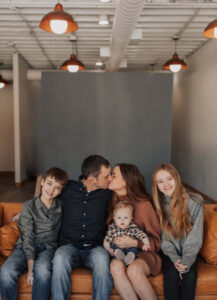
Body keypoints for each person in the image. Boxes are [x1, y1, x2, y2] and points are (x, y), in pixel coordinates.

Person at [0, 167, 68, 300]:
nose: (51, 190)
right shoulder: (28, 206)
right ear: (42, 182)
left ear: (60, 191)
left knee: (43, 272)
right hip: (24, 247)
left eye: (57, 187)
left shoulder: (62, 207)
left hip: (48, 249)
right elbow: (28, 238)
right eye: (49, 183)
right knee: (6, 271)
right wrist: (30, 270)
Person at [51, 154, 113, 300]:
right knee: (59, 258)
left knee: (102, 261)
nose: (110, 178)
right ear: (92, 179)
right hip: (69, 246)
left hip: (95, 248)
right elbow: (45, 198)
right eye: (106, 176)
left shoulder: (108, 194)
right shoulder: (67, 189)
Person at [108, 163, 161, 300]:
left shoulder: (143, 205)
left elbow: (157, 242)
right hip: (120, 254)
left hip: (144, 254)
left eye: (114, 175)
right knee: (115, 266)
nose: (109, 178)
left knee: (133, 270)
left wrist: (134, 242)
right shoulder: (111, 201)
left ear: (126, 180)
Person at [152, 163, 204, 300]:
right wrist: (175, 259)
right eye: (160, 181)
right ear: (156, 185)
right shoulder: (158, 205)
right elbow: (165, 240)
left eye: (169, 179)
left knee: (190, 277)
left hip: (190, 253)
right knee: (170, 276)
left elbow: (195, 238)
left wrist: (186, 261)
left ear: (177, 178)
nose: (166, 184)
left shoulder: (195, 202)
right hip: (169, 253)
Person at [104, 201, 150, 265]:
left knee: (134, 250)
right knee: (114, 250)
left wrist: (146, 243)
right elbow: (106, 240)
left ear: (131, 218)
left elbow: (142, 235)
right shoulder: (113, 229)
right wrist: (109, 249)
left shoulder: (133, 228)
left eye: (125, 218)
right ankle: (122, 257)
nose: (122, 220)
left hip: (130, 248)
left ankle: (129, 257)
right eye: (119, 218)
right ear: (114, 218)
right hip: (118, 248)